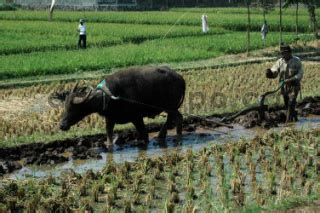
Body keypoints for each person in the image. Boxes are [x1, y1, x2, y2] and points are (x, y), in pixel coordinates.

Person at [265, 44, 304, 122]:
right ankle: (295, 119)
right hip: (284, 86)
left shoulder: (296, 61)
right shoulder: (280, 61)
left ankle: (288, 122)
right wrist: (270, 73)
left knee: (291, 102)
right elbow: (275, 71)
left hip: (294, 86)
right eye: (282, 53)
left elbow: (300, 73)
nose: (283, 55)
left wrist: (291, 79)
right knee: (288, 105)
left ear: (289, 52)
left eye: (284, 53)